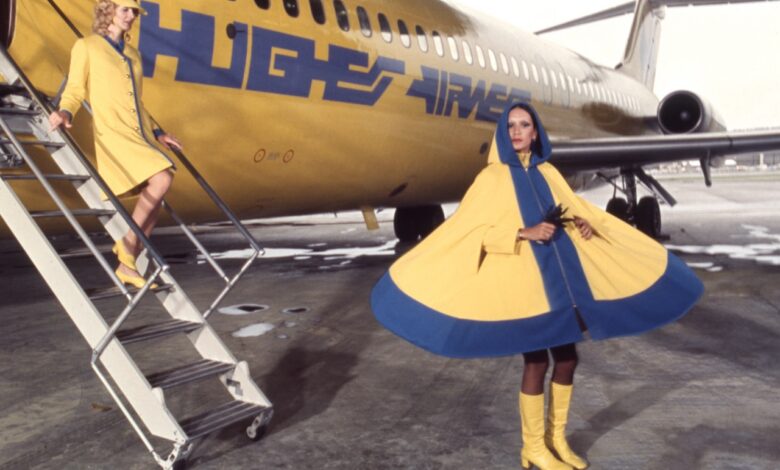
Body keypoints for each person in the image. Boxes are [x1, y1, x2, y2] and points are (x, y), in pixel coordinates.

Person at [371, 102, 703, 470]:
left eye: (524, 125)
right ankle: (533, 448)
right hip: (525, 285)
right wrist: (520, 232)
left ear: (535, 132)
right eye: (510, 125)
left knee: (568, 359)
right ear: (503, 132)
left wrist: (583, 223)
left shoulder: (549, 173)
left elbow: (572, 207)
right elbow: (469, 229)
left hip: (563, 285)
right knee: (535, 362)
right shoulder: (491, 179)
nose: (516, 131)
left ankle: (556, 439)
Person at [48, 0, 182, 288]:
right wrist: (65, 111)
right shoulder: (86, 47)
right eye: (125, 10)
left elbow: (137, 101)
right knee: (162, 179)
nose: (131, 16)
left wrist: (159, 132)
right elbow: (74, 89)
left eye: (134, 12)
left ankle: (127, 262)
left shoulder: (133, 55)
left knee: (160, 186)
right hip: (113, 132)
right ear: (107, 11)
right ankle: (127, 246)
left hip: (140, 132)